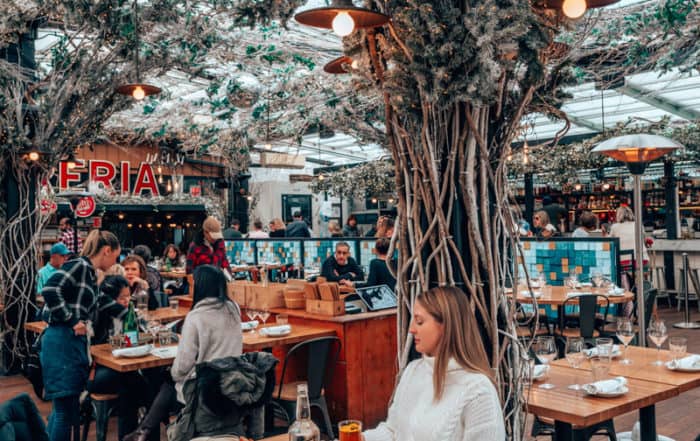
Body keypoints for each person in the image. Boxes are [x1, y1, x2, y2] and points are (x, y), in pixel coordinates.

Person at [362, 286, 505, 441]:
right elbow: (393, 431)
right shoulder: (413, 371)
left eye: (419, 321)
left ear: (446, 326)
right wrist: (360, 438)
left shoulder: (478, 392)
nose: (411, 329)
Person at [123, 265, 244, 441]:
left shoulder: (196, 317)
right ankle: (145, 430)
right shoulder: (234, 309)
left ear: (201, 286)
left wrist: (173, 373)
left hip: (204, 388)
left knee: (165, 381)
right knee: (168, 381)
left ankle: (146, 430)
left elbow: (182, 367)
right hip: (232, 380)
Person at [40, 229, 121, 441]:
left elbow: (102, 301)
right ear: (106, 251)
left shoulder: (88, 272)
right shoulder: (81, 265)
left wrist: (133, 317)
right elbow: (50, 289)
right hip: (63, 340)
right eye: (115, 256)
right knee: (64, 412)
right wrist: (71, 320)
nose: (115, 262)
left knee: (63, 410)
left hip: (67, 342)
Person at [88, 275, 157, 440]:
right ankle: (143, 432)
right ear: (110, 299)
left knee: (138, 383)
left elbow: (147, 330)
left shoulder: (128, 312)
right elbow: (94, 349)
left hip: (123, 370)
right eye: (122, 298)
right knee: (135, 385)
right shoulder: (97, 315)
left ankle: (133, 434)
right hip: (95, 374)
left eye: (128, 296)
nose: (127, 301)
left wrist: (147, 327)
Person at [610, 205, 648, 273]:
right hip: (643, 260)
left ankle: (625, 283)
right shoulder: (639, 225)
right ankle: (639, 282)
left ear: (618, 215)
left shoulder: (615, 227)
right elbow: (644, 241)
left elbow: (610, 243)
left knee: (613, 270)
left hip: (623, 261)